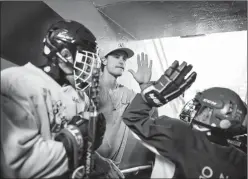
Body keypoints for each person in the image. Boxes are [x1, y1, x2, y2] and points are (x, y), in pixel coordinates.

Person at [1, 20, 124, 179]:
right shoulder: (14, 84)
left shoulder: (80, 97)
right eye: (86, 62)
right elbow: (18, 167)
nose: (91, 70)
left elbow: (81, 154)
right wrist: (74, 137)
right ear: (65, 55)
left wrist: (99, 162)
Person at [122, 60, 247, 179]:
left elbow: (133, 118)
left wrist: (147, 91)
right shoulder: (242, 162)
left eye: (201, 108)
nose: (196, 111)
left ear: (216, 115)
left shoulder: (181, 134)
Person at [96, 42, 157, 170]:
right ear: (104, 60)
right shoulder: (91, 88)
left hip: (112, 168)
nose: (121, 61)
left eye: (124, 58)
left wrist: (144, 85)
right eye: (116, 57)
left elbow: (150, 111)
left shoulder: (127, 93)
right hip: (89, 164)